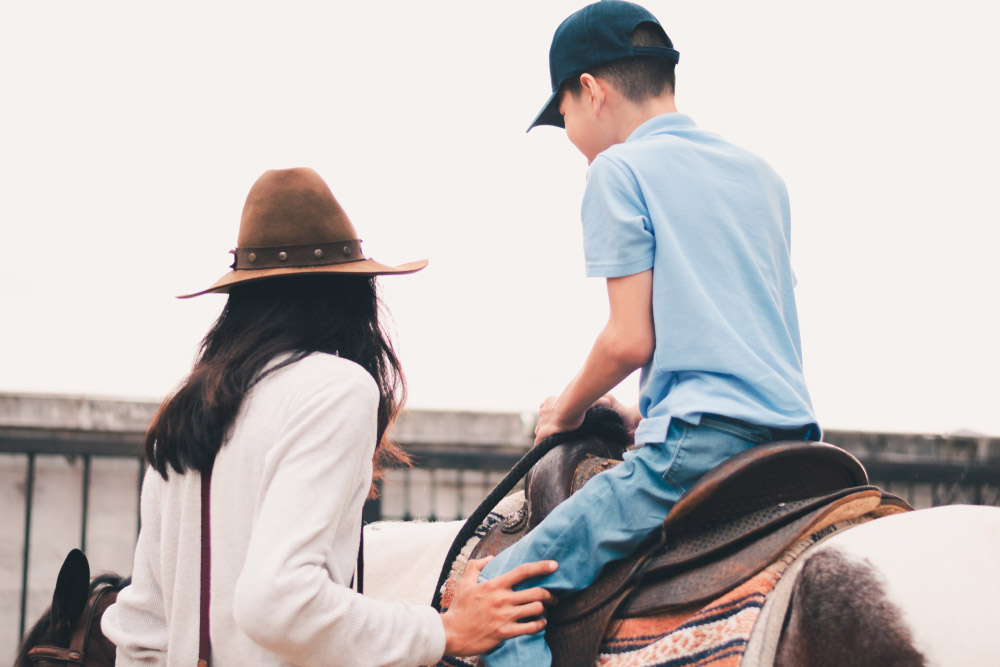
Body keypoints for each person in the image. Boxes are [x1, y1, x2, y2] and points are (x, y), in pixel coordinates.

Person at [102, 168, 556, 666]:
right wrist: (443, 631)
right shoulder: (335, 387)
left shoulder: (188, 411)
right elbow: (279, 600)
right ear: (351, 293)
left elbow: (143, 632)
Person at [478, 2, 820, 664]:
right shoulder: (761, 175)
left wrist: (568, 408)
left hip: (696, 450)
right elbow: (744, 333)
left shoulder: (618, 171)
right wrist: (646, 406)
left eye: (564, 117)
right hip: (792, 443)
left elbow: (628, 339)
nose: (571, 136)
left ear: (591, 91)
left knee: (498, 592)